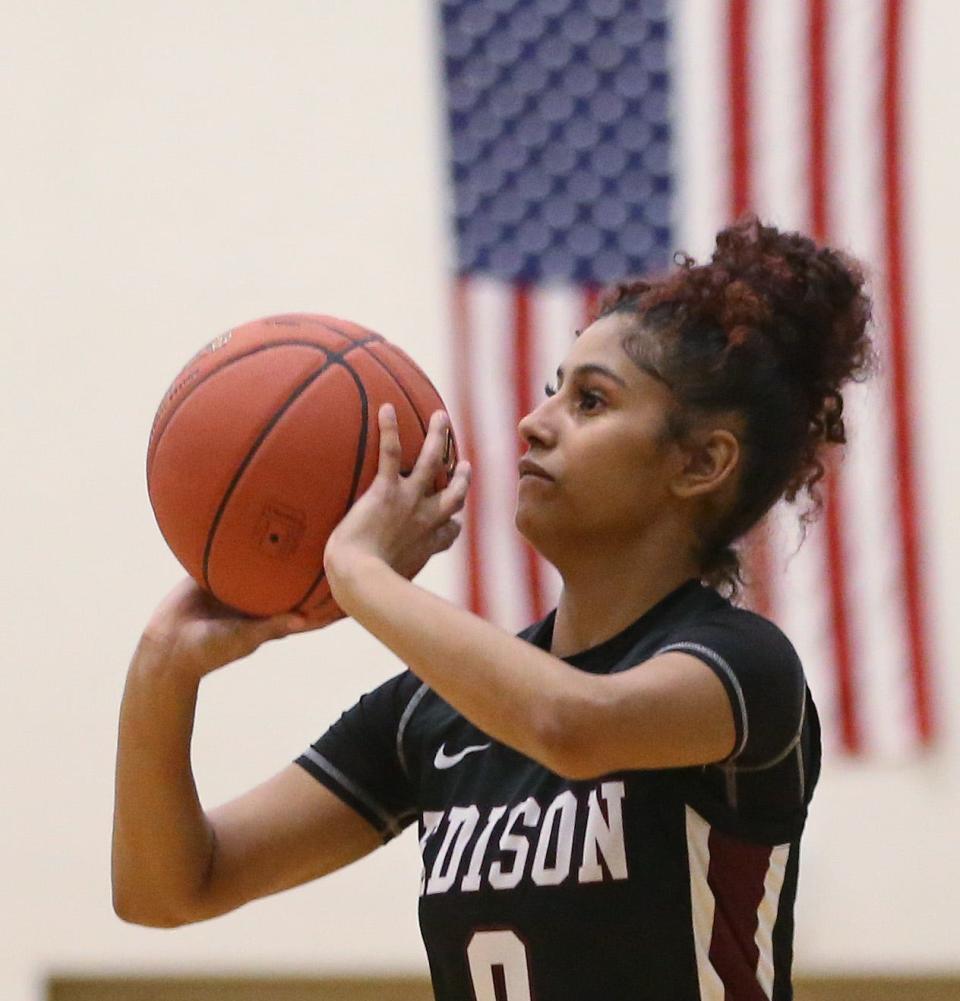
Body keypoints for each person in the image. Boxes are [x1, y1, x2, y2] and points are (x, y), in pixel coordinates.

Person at [112, 216, 873, 1000]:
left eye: (590, 401)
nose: (534, 422)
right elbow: (166, 890)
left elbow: (573, 727)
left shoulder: (742, 668)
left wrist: (360, 573)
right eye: (554, 390)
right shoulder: (431, 714)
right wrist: (163, 666)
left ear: (701, 461)